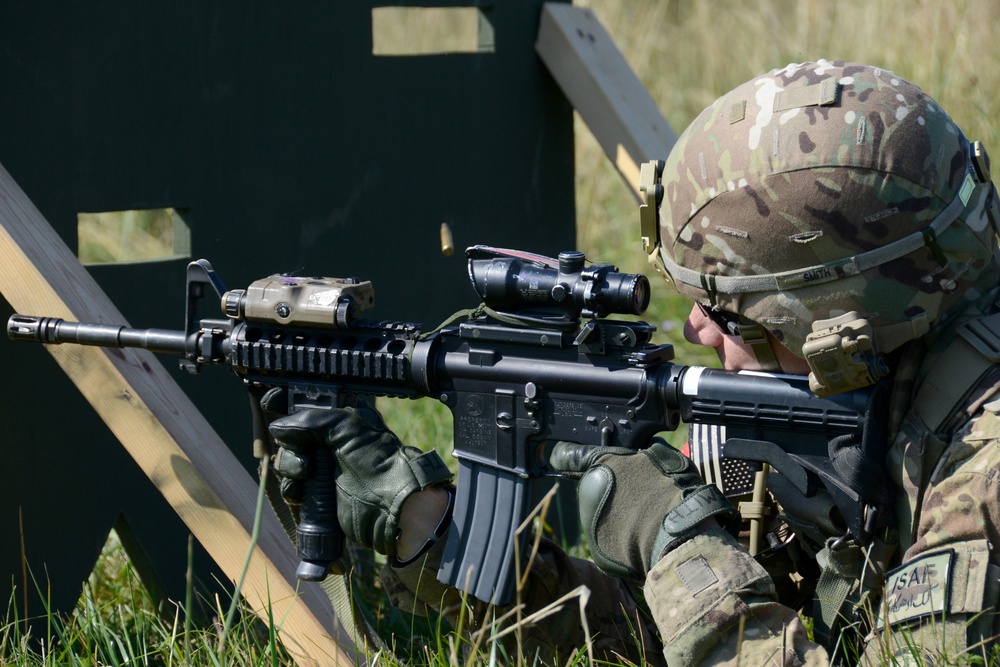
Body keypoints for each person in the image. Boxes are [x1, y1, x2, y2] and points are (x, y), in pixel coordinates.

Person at [267, 60, 1000, 665]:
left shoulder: (985, 469)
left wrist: (675, 539)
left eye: (728, 310)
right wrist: (422, 527)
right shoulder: (891, 378)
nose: (695, 329)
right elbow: (645, 640)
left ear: (831, 319)